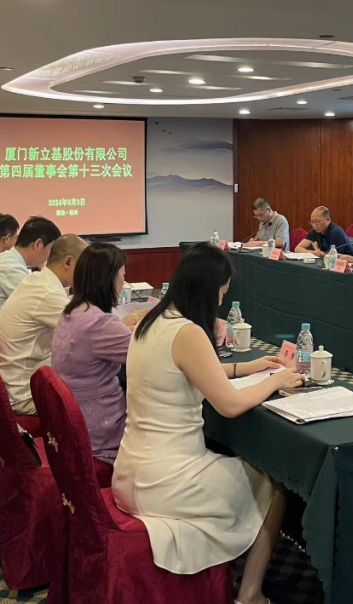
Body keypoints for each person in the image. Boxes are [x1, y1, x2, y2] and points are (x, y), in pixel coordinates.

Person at [113, 243, 304, 604]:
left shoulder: (151, 320)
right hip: (165, 481)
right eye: (221, 292)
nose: (220, 301)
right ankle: (250, 593)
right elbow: (229, 405)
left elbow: (184, 369)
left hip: (129, 471)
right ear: (207, 289)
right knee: (275, 486)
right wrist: (277, 380)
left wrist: (246, 368)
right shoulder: (188, 332)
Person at [51, 243, 145, 465]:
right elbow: (149, 355)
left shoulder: (74, 310)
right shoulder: (100, 323)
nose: (124, 281)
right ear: (108, 279)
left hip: (72, 419)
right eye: (122, 274)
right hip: (100, 428)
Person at [0, 234, 87, 415]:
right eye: (84, 266)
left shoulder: (37, 280)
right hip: (25, 393)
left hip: (18, 377)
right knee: (101, 389)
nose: (86, 273)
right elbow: (88, 332)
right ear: (68, 262)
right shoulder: (47, 292)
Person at [0, 216, 61, 333]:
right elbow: (44, 305)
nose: (49, 256)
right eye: (51, 249)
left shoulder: (5, 258)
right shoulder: (11, 268)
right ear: (38, 244)